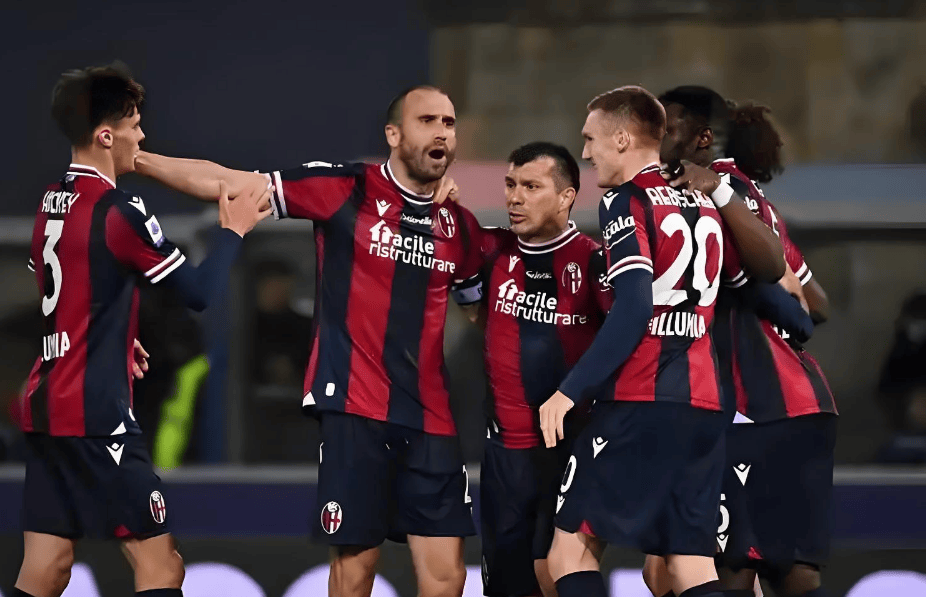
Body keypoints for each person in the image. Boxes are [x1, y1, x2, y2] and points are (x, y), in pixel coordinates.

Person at [133, 85, 484, 597]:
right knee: (355, 569)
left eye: (448, 123)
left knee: (448, 576)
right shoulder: (345, 187)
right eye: (427, 120)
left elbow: (480, 310)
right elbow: (230, 183)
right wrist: (136, 160)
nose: (441, 132)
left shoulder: (460, 226)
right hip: (356, 410)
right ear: (393, 134)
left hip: (432, 419)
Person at [14, 62, 270, 597]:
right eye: (134, 124)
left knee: (48, 566)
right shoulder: (120, 210)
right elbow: (197, 294)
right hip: (96, 415)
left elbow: (57, 287)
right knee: (162, 567)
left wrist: (113, 333)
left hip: (46, 407)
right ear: (107, 136)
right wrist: (233, 232)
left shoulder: (50, 201)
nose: (142, 135)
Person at [537, 85, 797, 597]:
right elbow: (766, 282)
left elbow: (635, 305)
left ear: (621, 139)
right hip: (703, 403)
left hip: (641, 398)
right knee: (689, 564)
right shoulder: (705, 200)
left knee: (569, 553)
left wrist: (570, 390)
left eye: (590, 139)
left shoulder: (625, 200)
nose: (585, 152)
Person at [656, 85, 837, 597]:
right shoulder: (752, 199)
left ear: (703, 138)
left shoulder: (711, 192)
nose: (656, 136)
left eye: (666, 126)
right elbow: (815, 302)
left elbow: (774, 284)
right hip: (801, 402)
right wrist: (779, 304)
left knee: (728, 567)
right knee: (789, 570)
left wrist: (757, 292)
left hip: (752, 405)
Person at [450, 142, 612, 597]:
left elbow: (626, 342)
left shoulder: (594, 261)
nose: (515, 197)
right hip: (502, 455)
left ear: (566, 196)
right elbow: (443, 245)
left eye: (531, 186)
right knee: (505, 587)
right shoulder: (492, 249)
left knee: (554, 574)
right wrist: (442, 202)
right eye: (510, 184)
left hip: (567, 451)